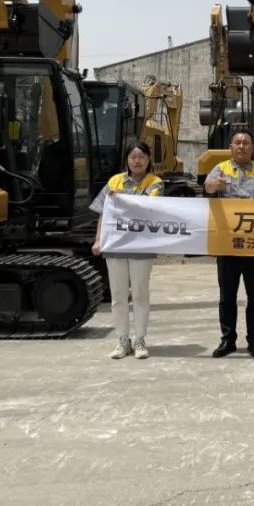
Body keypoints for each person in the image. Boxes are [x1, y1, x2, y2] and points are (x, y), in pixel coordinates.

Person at [204, 128, 254, 358]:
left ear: (252, 147)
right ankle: (227, 340)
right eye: (237, 143)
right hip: (227, 244)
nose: (241, 146)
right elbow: (207, 188)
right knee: (227, 296)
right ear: (230, 148)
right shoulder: (221, 169)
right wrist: (214, 186)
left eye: (246, 142)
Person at [90, 141, 164, 360]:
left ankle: (140, 340)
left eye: (141, 156)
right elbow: (103, 213)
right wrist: (98, 240)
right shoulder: (114, 181)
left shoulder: (155, 183)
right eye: (133, 157)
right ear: (127, 160)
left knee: (140, 293)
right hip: (115, 244)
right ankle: (123, 340)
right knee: (118, 295)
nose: (137, 161)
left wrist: (121, 197)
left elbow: (150, 207)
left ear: (148, 159)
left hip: (141, 244)